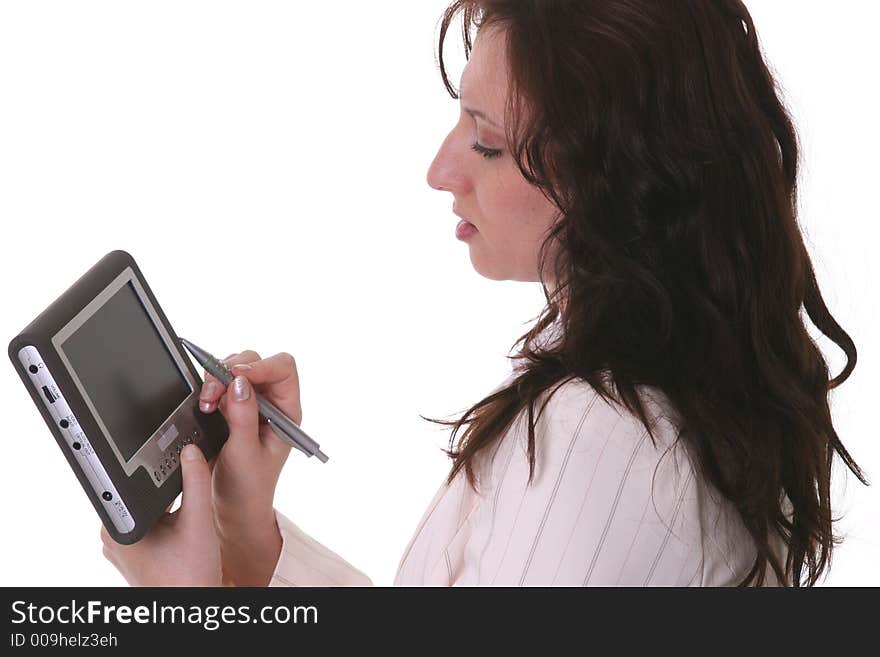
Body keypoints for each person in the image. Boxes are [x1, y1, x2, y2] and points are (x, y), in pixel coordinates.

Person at [101, 0, 866, 587]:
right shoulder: (660, 394)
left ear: (622, 183)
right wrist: (248, 535)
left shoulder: (597, 440)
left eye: (488, 143)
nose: (441, 170)